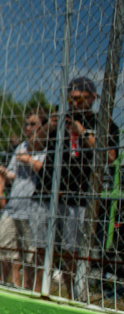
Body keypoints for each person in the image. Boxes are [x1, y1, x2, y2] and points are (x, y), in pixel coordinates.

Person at [36, 77, 120, 296]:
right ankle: (36, 290)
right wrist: (48, 126)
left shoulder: (104, 123)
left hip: (79, 196)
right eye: (70, 99)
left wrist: (83, 132)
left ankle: (75, 294)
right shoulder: (59, 121)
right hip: (49, 194)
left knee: (72, 252)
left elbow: (110, 156)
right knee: (40, 248)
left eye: (80, 99)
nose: (74, 104)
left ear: (92, 98)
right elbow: (34, 144)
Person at [0, 110, 47, 288]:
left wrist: (28, 160)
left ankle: (28, 291)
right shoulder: (21, 146)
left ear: (43, 127)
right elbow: (14, 175)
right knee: (1, 249)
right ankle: (0, 285)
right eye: (26, 124)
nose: (28, 128)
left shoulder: (47, 148)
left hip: (32, 208)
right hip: (13, 206)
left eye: (33, 124)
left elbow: (47, 172)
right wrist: (4, 173)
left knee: (30, 256)